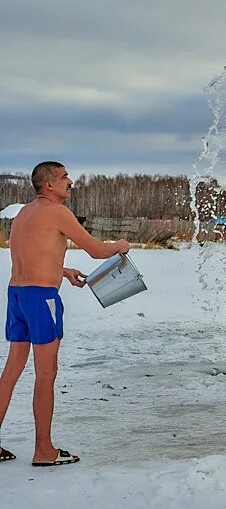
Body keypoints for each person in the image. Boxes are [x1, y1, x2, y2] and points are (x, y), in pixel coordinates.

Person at [1, 161, 129, 466]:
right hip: (41, 299)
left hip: (17, 296)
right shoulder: (58, 212)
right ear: (48, 184)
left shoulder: (23, 215)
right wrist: (120, 244)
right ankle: (44, 450)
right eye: (64, 177)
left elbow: (29, 258)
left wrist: (62, 271)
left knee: (11, 372)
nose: (70, 181)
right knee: (46, 375)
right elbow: (97, 249)